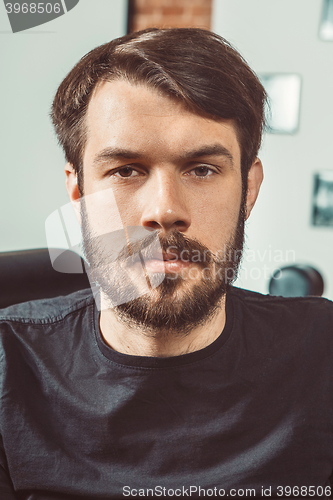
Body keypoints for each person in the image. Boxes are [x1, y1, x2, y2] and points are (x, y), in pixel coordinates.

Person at [0, 27, 332, 500]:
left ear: (249, 190)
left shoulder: (324, 356)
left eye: (202, 169)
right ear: (78, 195)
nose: (164, 209)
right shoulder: (8, 368)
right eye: (126, 170)